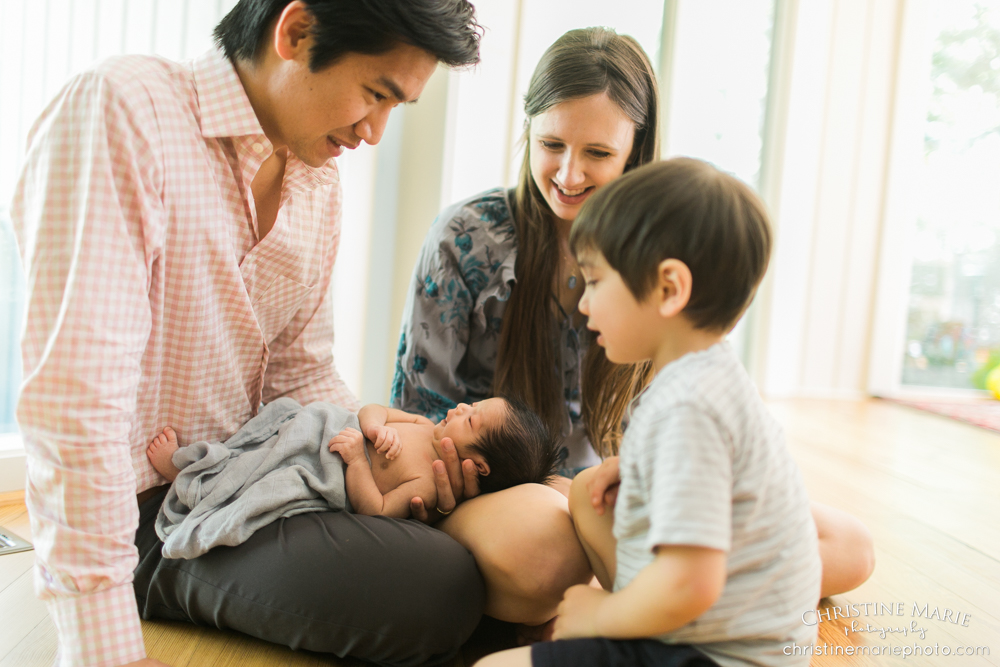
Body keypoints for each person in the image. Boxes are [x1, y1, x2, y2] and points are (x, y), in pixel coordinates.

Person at [11, 1, 482, 666]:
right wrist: (99, 639)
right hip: (159, 510)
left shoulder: (317, 181)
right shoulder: (125, 109)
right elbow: (74, 400)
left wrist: (404, 443)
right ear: (295, 31)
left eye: (394, 108)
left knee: (480, 558)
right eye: (375, 94)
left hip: (264, 475)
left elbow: (302, 371)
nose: (374, 131)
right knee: (440, 587)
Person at [392, 27, 875, 630]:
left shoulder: (662, 258)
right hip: (501, 489)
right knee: (548, 552)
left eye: (597, 153)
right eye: (551, 145)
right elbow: (415, 408)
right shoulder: (468, 237)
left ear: (635, 151)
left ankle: (669, 599)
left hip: (615, 490)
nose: (569, 174)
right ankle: (679, 599)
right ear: (528, 136)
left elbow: (689, 406)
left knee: (850, 546)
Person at [476, 158, 822, 667]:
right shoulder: (709, 379)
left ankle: (631, 624)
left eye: (594, 281)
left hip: (713, 655)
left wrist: (602, 617)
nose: (585, 304)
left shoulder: (689, 410)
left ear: (668, 288)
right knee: (587, 498)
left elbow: (692, 580)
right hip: (721, 635)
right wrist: (637, 468)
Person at [145, 396, 556, 559]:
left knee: (254, 479)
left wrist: (359, 461)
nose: (462, 406)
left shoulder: (427, 485)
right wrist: (377, 428)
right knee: (247, 448)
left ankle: (190, 480)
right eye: (473, 403)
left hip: (323, 466)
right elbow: (373, 410)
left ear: (479, 467)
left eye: (472, 418)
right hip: (321, 427)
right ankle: (198, 464)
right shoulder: (424, 424)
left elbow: (374, 510)